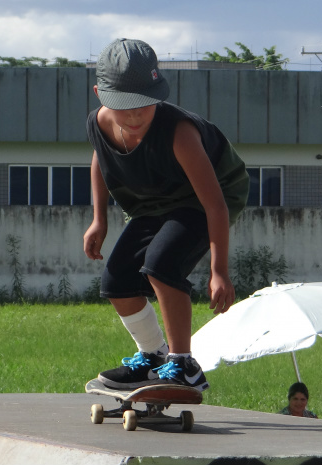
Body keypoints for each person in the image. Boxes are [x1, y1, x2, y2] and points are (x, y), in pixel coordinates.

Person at [83, 38, 249, 392]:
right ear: (100, 94)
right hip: (154, 200)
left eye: (145, 105)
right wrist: (100, 218)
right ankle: (153, 357)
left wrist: (219, 271)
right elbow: (101, 158)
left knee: (162, 264)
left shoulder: (179, 133)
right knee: (116, 281)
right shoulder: (98, 125)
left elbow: (216, 205)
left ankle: (183, 365)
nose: (136, 116)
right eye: (124, 107)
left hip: (209, 196)